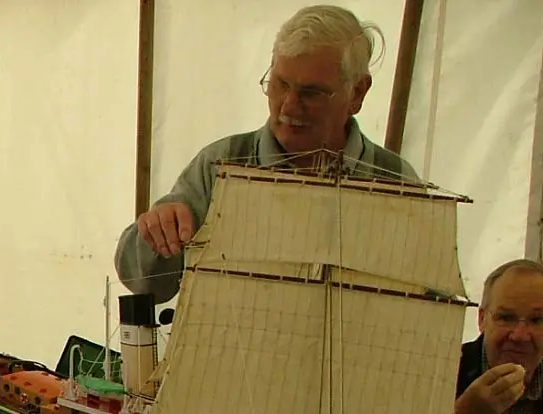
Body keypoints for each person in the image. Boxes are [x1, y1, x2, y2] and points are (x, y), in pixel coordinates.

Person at [115, 5, 418, 304]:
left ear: (357, 92)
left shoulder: (398, 183)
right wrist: (157, 233)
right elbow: (144, 283)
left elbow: (428, 302)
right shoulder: (221, 164)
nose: (289, 105)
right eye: (281, 84)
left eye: (311, 93)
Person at [453, 259, 543, 414]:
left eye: (537, 320)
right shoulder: (441, 372)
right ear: (482, 319)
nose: (520, 335)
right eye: (505, 317)